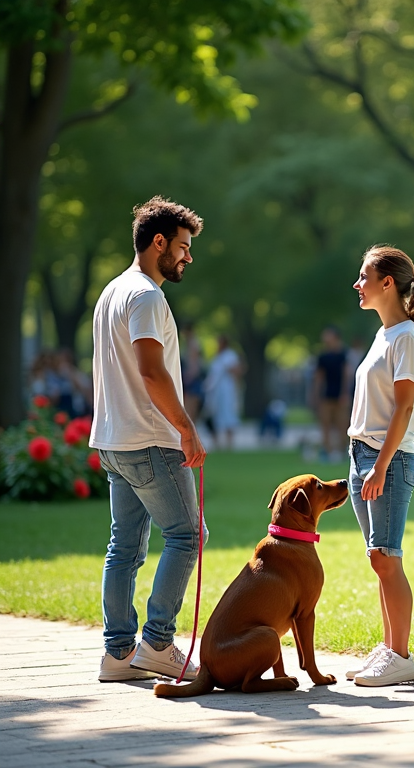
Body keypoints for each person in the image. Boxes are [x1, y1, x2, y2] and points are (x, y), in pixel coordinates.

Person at [89, 195, 207, 683]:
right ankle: (158, 643)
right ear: (157, 242)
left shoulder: (111, 292)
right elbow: (152, 373)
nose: (187, 257)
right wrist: (186, 429)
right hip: (149, 439)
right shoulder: (145, 296)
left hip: (113, 442)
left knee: (125, 547)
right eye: (181, 247)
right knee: (187, 535)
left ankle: (118, 655)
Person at [345, 245, 414, 687]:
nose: (357, 285)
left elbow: (403, 409)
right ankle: (388, 648)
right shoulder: (386, 334)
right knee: (379, 558)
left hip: (389, 460)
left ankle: (401, 656)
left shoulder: (407, 338)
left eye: (364, 277)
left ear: (387, 284)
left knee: (388, 557)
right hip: (365, 456)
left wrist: (379, 467)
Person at [313, 326, 350, 460]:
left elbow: (346, 376)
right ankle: (327, 451)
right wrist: (316, 395)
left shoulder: (343, 355)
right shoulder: (322, 356)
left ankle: (342, 450)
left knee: (342, 424)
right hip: (326, 395)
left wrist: (345, 393)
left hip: (340, 395)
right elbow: (319, 377)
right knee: (325, 424)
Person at [203, 335, 244, 449]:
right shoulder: (218, 357)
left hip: (227, 390)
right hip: (216, 391)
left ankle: (229, 441)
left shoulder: (230, 356)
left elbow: (237, 370)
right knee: (216, 414)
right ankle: (218, 442)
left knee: (228, 413)